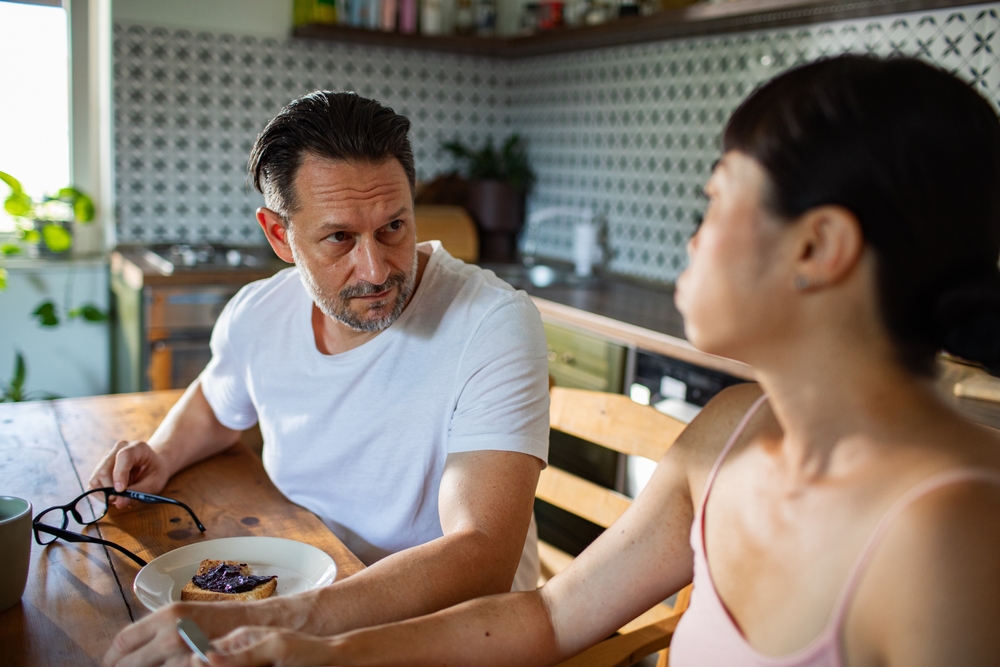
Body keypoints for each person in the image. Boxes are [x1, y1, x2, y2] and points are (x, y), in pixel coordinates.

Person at [194, 54, 1000, 667]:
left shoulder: (951, 534)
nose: (691, 236)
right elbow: (550, 615)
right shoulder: (730, 431)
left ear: (819, 247)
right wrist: (319, 651)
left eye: (717, 198)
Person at [95, 92, 550, 666]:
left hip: (447, 633)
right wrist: (162, 451)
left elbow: (482, 553)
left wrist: (274, 618)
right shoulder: (259, 313)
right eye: (339, 238)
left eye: (393, 227)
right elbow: (217, 401)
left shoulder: (491, 324)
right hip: (310, 591)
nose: (376, 268)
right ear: (280, 236)